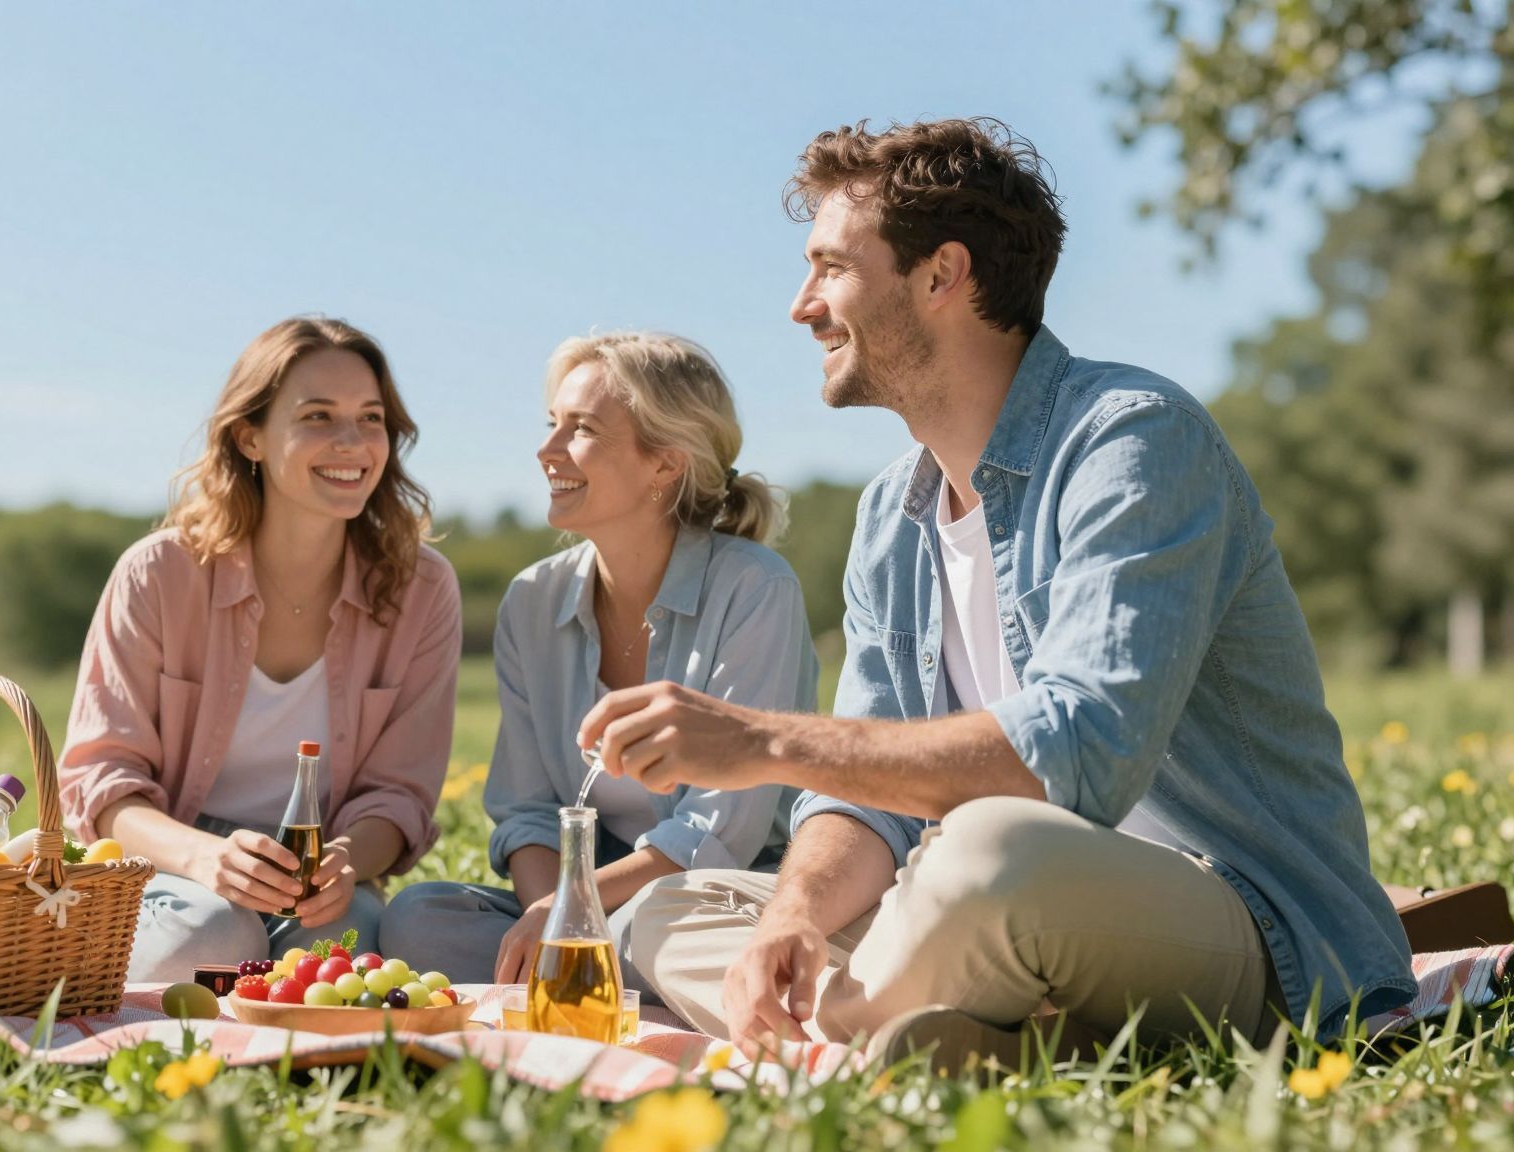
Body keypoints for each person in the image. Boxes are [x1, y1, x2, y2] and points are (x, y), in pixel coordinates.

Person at [586, 119, 1416, 1066]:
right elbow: (869, 804)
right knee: (666, 907)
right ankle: (942, 1034)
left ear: (942, 275)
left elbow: (1079, 757)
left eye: (829, 268)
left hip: (1247, 931)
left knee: (987, 852)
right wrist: (796, 915)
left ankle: (840, 1041)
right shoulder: (890, 515)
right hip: (983, 911)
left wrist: (762, 742)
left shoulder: (1133, 440)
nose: (801, 306)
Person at [380, 331, 817, 994]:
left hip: (716, 894)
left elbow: (721, 829)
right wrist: (551, 920)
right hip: (588, 898)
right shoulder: (532, 599)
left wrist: (570, 915)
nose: (547, 450)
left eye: (579, 429)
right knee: (418, 919)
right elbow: (526, 810)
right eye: (552, 424)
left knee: (656, 927)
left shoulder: (756, 589)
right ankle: (612, 985)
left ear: (665, 463)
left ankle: (616, 980)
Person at [61, 315, 461, 981]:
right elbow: (103, 786)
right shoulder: (158, 574)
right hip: (174, 865)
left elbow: (399, 796)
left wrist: (343, 864)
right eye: (318, 417)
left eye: (370, 419)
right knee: (211, 935)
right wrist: (206, 860)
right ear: (250, 436)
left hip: (322, 867)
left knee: (352, 942)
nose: (352, 443)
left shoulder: (421, 589)